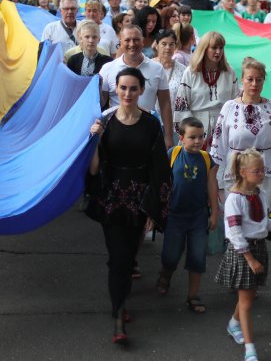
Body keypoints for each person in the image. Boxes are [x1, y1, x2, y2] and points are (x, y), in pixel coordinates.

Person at [86, 67, 171, 345]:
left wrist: (154, 210)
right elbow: (94, 170)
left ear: (141, 90)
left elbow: (159, 170)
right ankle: (118, 315)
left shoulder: (151, 125)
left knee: (128, 255)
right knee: (118, 259)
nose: (127, 93)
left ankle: (120, 299)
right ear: (115, 89)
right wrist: (95, 141)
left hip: (139, 201)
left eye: (133, 88)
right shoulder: (105, 122)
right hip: (111, 199)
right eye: (122, 88)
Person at [217, 148, 271, 361]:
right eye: (257, 171)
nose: (262, 174)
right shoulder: (234, 198)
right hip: (243, 251)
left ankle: (234, 324)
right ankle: (250, 349)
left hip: (259, 246)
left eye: (262, 170)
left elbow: (264, 224)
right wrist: (250, 259)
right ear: (243, 172)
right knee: (246, 300)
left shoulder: (259, 194)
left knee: (249, 296)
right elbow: (235, 231)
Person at [210, 57, 271, 206]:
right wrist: (217, 183)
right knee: (237, 218)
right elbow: (218, 148)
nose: (254, 84)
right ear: (242, 79)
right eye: (250, 79)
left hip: (264, 174)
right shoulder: (229, 108)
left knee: (263, 219)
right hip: (236, 174)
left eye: (259, 80)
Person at [158, 117, 219, 314]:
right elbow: (161, 182)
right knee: (171, 254)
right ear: (181, 138)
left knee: (197, 256)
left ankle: (193, 295)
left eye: (201, 137)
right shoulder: (173, 154)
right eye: (192, 137)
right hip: (175, 215)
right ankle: (166, 274)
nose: (197, 141)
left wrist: (215, 213)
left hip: (198, 216)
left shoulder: (206, 159)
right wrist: (156, 211)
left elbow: (212, 186)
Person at [99, 25, 174, 148]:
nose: (132, 44)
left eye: (136, 40)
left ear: (143, 41)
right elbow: (101, 103)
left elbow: (165, 103)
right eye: (127, 40)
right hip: (116, 133)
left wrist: (168, 136)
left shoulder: (157, 69)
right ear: (120, 43)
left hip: (147, 131)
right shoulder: (108, 69)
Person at [173, 31, 239, 142]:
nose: (218, 52)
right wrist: (192, 132)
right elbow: (182, 105)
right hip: (196, 128)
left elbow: (236, 102)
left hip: (223, 127)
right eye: (213, 48)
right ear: (204, 49)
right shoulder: (191, 72)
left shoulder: (229, 72)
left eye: (221, 48)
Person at [153, 29, 186, 124]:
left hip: (174, 121)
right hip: (151, 120)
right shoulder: (148, 67)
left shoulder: (183, 70)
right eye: (164, 44)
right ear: (156, 45)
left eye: (171, 44)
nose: (168, 47)